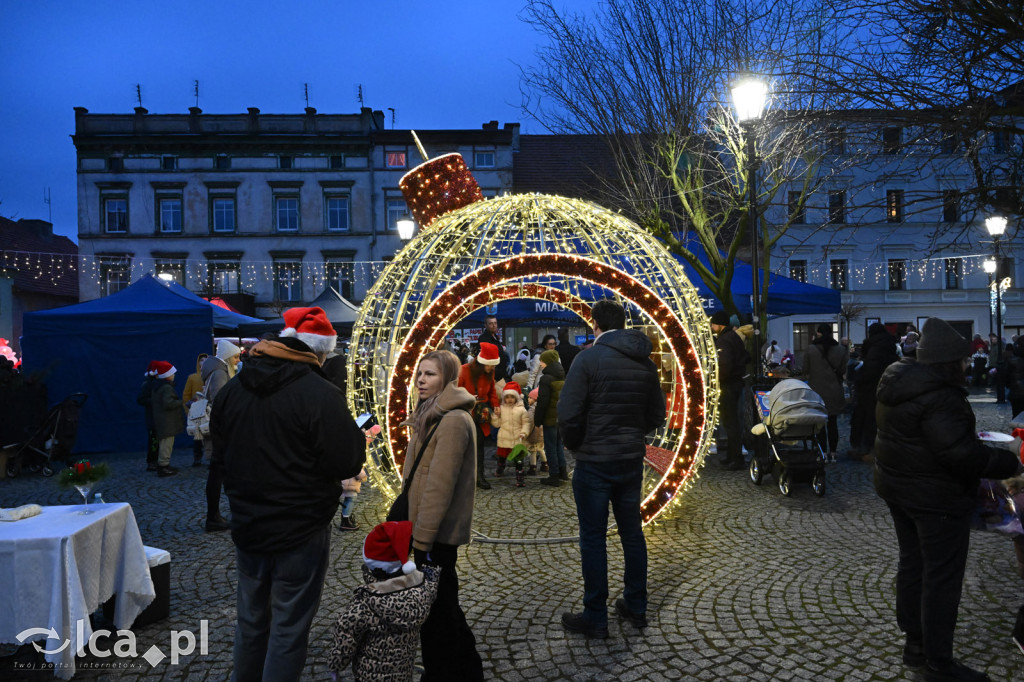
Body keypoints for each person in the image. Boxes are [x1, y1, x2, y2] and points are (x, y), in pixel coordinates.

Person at [211, 306, 365, 682]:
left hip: (249, 524)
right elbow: (346, 461)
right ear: (319, 351)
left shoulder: (233, 389)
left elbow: (220, 452)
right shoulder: (320, 394)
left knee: (251, 621)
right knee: (288, 627)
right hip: (301, 530)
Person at [874, 316, 1022, 681]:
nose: (968, 365)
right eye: (964, 360)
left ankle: (915, 646)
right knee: (941, 577)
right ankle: (938, 663)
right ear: (947, 362)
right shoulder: (940, 396)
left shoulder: (900, 381)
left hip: (899, 488)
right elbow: (961, 455)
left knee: (914, 566)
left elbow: (936, 444)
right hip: (934, 497)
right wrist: (1013, 458)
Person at [558, 299, 666, 639]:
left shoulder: (587, 359)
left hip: (594, 462)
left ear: (595, 325)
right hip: (630, 459)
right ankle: (636, 605)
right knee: (632, 534)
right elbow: (656, 415)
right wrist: (632, 434)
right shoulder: (645, 363)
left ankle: (596, 616)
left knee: (593, 538)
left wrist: (576, 444)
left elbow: (569, 413)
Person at [405, 349, 484, 681]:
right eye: (420, 373)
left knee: (439, 611)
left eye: (431, 374)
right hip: (427, 529)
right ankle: (464, 669)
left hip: (436, 533)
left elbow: (440, 487)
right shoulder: (432, 412)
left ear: (448, 378)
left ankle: (445, 672)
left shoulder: (451, 419)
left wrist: (421, 540)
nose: (422, 380)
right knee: (443, 605)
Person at [327, 521, 440, 681]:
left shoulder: (366, 602)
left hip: (369, 676)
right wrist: (431, 570)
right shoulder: (422, 590)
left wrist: (335, 665)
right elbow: (432, 584)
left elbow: (346, 634)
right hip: (403, 673)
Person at [202, 339, 241, 533]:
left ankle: (216, 515)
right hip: (222, 427)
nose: (237, 360)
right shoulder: (219, 372)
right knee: (218, 472)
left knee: (219, 472)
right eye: (235, 356)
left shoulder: (216, 370)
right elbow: (221, 400)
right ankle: (214, 517)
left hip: (219, 425)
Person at [850, 322, 899, 461]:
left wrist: (859, 378)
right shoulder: (889, 345)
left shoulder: (874, 348)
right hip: (887, 387)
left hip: (871, 389)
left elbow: (871, 369)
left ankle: (870, 449)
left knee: (869, 419)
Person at [802, 324, 849, 463]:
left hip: (817, 391)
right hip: (835, 390)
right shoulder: (841, 350)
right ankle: (833, 453)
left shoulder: (811, 349)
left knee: (819, 424)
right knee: (833, 423)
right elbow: (842, 370)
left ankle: (822, 453)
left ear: (819, 334)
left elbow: (805, 370)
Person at [458, 341, 501, 490]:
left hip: (480, 414)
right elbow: (456, 392)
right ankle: (464, 478)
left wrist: (495, 405)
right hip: (464, 414)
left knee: (479, 445)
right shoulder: (464, 370)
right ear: (482, 362)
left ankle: (479, 476)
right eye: (490, 365)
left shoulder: (490, 372)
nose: (492, 368)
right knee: (464, 446)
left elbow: (492, 391)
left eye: (493, 365)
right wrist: (469, 401)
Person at [709, 310, 748, 471]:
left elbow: (725, 366)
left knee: (730, 422)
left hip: (728, 385)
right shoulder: (734, 337)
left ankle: (736, 459)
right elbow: (746, 357)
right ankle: (733, 455)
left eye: (713, 324)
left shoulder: (724, 341)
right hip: (736, 383)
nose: (711, 327)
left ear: (719, 325)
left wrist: (716, 381)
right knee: (732, 422)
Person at [535, 349, 567, 486]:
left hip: (549, 418)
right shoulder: (561, 376)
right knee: (558, 444)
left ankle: (554, 476)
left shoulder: (546, 379)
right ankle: (563, 472)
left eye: (542, 361)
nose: (540, 363)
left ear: (547, 362)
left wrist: (537, 420)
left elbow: (542, 402)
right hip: (560, 418)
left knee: (550, 447)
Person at [490, 380, 532, 486]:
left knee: (518, 460)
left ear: (517, 397)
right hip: (504, 438)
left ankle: (520, 477)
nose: (509, 400)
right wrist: (495, 416)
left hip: (518, 439)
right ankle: (500, 468)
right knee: (502, 456)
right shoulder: (501, 409)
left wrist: (524, 433)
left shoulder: (522, 410)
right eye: (507, 397)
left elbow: (526, 423)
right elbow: (496, 424)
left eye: (512, 397)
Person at [149, 361, 183, 477]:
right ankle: (163, 466)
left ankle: (165, 464)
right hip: (167, 421)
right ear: (166, 375)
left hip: (162, 420)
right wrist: (181, 402)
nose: (174, 376)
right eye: (172, 373)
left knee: (165, 443)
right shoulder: (166, 388)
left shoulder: (157, 386)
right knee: (166, 444)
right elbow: (168, 403)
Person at [182, 353, 209, 467]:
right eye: (201, 360)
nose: (203, 362)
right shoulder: (192, 377)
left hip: (208, 410)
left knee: (209, 435)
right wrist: (188, 412)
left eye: (205, 359)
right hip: (196, 412)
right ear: (198, 362)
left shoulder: (211, 375)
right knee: (197, 436)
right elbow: (186, 395)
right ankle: (197, 458)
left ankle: (210, 458)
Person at [136, 362, 160, 472]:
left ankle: (157, 460)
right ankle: (151, 461)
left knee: (157, 439)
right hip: (152, 417)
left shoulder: (157, 384)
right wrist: (154, 401)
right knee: (153, 440)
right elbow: (141, 399)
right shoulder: (147, 385)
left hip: (157, 417)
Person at [478, 314, 511, 382]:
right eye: (491, 323)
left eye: (495, 323)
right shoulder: (484, 338)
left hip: (501, 374)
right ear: (486, 325)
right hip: (493, 377)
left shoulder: (496, 337)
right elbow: (485, 360)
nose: (494, 325)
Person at [338, 467, 368, 531]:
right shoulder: (353, 458)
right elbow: (357, 470)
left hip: (344, 482)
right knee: (350, 499)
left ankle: (346, 517)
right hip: (350, 484)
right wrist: (363, 477)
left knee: (347, 499)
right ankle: (345, 521)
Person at [525, 387, 547, 475]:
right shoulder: (542, 408)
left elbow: (530, 422)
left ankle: (532, 467)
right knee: (541, 449)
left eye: (531, 398)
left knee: (533, 450)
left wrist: (527, 433)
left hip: (534, 433)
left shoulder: (532, 410)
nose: (528, 399)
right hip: (542, 433)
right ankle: (545, 464)